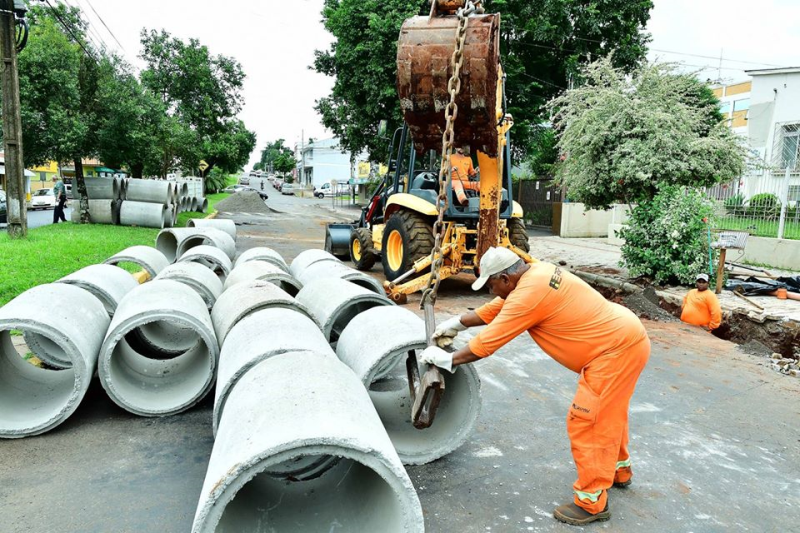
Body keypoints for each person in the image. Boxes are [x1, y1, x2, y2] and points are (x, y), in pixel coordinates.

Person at [419, 247, 651, 526]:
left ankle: (592, 502)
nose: (492, 291)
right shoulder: (535, 274)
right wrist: (458, 323)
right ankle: (619, 471)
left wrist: (449, 360)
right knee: (609, 412)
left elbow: (490, 341)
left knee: (588, 421)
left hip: (613, 352)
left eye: (492, 284)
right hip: (625, 338)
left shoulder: (529, 293)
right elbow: (500, 307)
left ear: (505, 278)